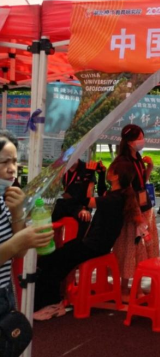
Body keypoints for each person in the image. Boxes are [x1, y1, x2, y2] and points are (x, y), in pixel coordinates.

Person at [33, 159, 137, 319]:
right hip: (91, 243)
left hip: (94, 246)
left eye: (111, 169)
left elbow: (83, 200)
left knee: (54, 262)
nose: (108, 169)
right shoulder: (117, 195)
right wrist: (101, 175)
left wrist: (88, 174)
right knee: (52, 258)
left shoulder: (116, 199)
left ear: (116, 176)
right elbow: (102, 192)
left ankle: (53, 305)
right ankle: (49, 300)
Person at [0, 130, 54, 319]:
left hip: (5, 291)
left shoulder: (6, 198)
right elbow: (16, 246)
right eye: (4, 162)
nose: (12, 169)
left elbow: (19, 253)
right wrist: (18, 241)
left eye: (14, 161)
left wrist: (17, 213)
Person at [111, 124, 160, 292]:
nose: (142, 141)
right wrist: (136, 215)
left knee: (143, 248)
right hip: (133, 210)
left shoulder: (138, 158)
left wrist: (149, 168)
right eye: (139, 138)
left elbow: (141, 183)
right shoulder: (123, 162)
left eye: (142, 137)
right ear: (130, 141)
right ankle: (126, 287)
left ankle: (134, 287)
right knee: (132, 247)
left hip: (145, 207)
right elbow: (126, 191)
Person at [51, 156, 106, 239]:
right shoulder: (64, 170)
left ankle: (79, 243)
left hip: (82, 204)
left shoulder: (86, 168)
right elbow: (56, 188)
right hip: (68, 203)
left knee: (84, 217)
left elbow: (90, 192)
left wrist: (84, 208)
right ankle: (52, 240)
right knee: (56, 208)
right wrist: (57, 175)